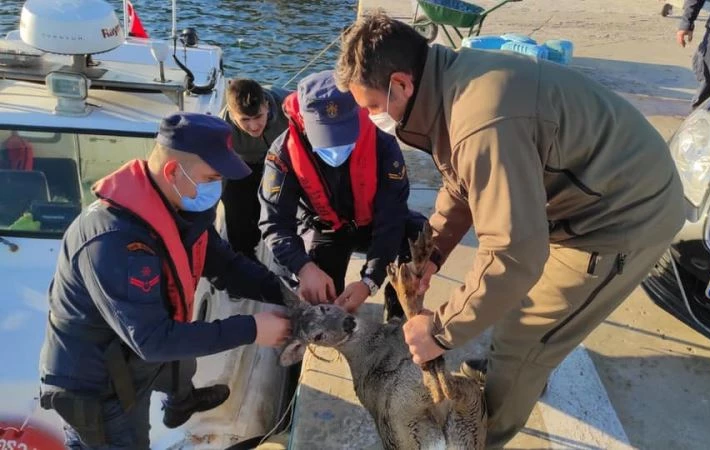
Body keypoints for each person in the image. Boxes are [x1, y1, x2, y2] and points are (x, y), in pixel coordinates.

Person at [335, 11, 686, 447]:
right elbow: (460, 182)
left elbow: (516, 253)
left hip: (621, 215)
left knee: (524, 337)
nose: (371, 119)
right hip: (584, 194)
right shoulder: (448, 83)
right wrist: (433, 253)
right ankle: (514, 376)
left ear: (402, 85)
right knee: (504, 315)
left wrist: (440, 332)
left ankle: (483, 435)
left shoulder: (481, 122)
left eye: (371, 107)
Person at [38, 112, 294, 449]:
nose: (217, 187)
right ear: (173, 171)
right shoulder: (115, 241)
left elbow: (227, 266)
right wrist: (253, 329)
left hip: (134, 359)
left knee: (181, 348)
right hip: (98, 388)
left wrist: (287, 293)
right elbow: (153, 340)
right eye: (212, 177)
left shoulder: (182, 209)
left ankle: (180, 401)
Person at [258, 70, 425, 318]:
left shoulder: (384, 145)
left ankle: (398, 311)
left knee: (418, 238)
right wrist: (304, 268)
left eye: (343, 136)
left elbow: (392, 217)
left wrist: (370, 280)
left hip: (372, 224)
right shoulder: (282, 155)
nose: (335, 147)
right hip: (325, 227)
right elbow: (274, 223)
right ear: (304, 122)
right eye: (325, 138)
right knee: (321, 302)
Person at [221, 79, 290, 261]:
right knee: (236, 210)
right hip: (242, 165)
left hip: (280, 163)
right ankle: (244, 259)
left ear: (267, 105)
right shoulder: (222, 129)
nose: (253, 126)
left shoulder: (288, 105)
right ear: (232, 115)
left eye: (258, 116)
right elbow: (216, 175)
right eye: (245, 120)